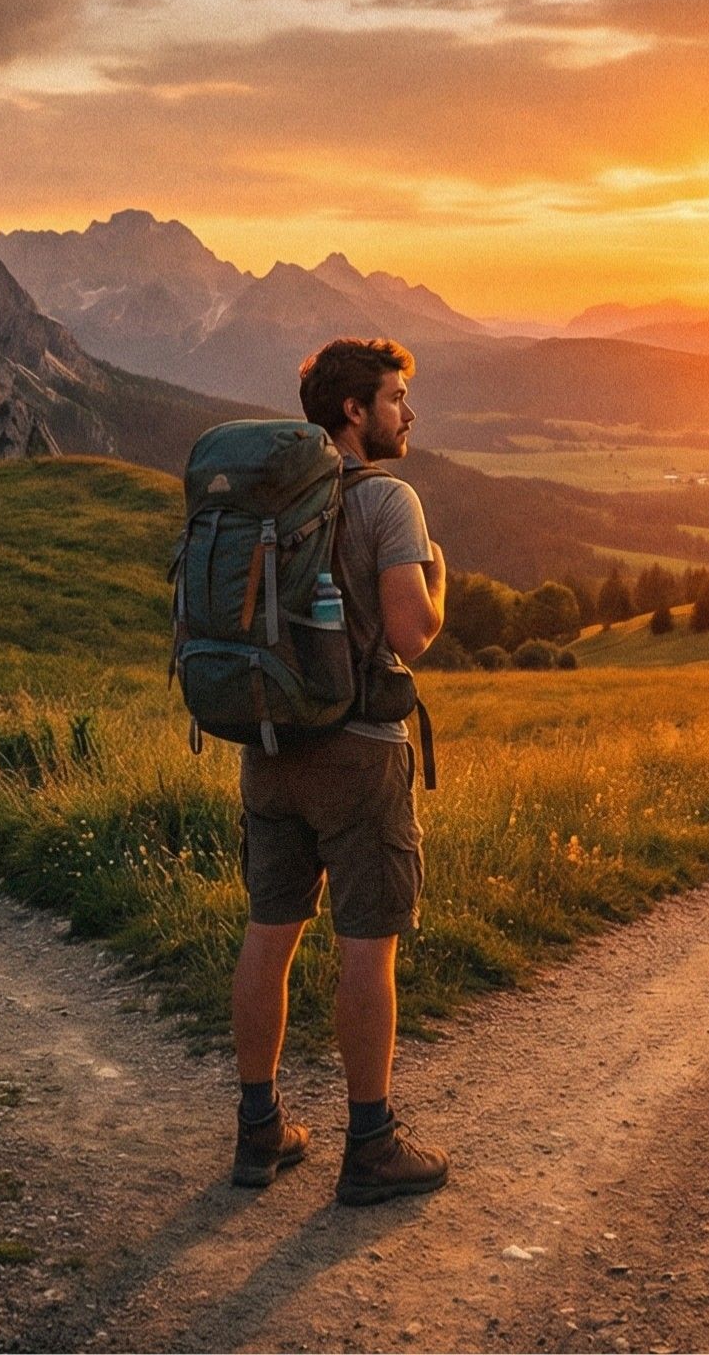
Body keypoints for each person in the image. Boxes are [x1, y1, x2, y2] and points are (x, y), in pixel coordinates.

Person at [231, 336, 452, 1206]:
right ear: (354, 411)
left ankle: (259, 1131)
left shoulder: (268, 499)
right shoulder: (389, 499)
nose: (408, 413)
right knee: (366, 945)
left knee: (269, 934)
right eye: (396, 398)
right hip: (359, 753)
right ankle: (371, 1146)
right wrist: (440, 580)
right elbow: (412, 635)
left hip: (268, 744)